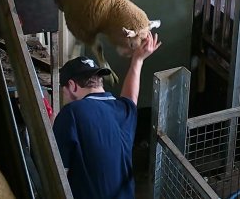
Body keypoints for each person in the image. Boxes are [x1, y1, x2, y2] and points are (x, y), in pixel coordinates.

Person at [52, 33, 161, 199]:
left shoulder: (71, 113)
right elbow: (131, 97)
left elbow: (57, 174)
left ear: (72, 86)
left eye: (64, 90)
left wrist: (52, 127)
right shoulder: (123, 111)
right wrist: (137, 61)